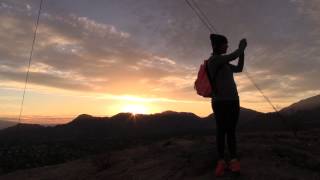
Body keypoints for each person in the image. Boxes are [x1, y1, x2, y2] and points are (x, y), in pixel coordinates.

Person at [207, 34, 247, 177]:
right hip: (220, 102)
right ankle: (221, 161)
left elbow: (239, 68)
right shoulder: (214, 60)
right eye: (225, 44)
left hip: (233, 101)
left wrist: (243, 52)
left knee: (230, 130)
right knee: (222, 131)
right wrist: (241, 47)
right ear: (217, 46)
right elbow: (233, 55)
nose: (227, 46)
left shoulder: (224, 62)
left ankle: (233, 160)